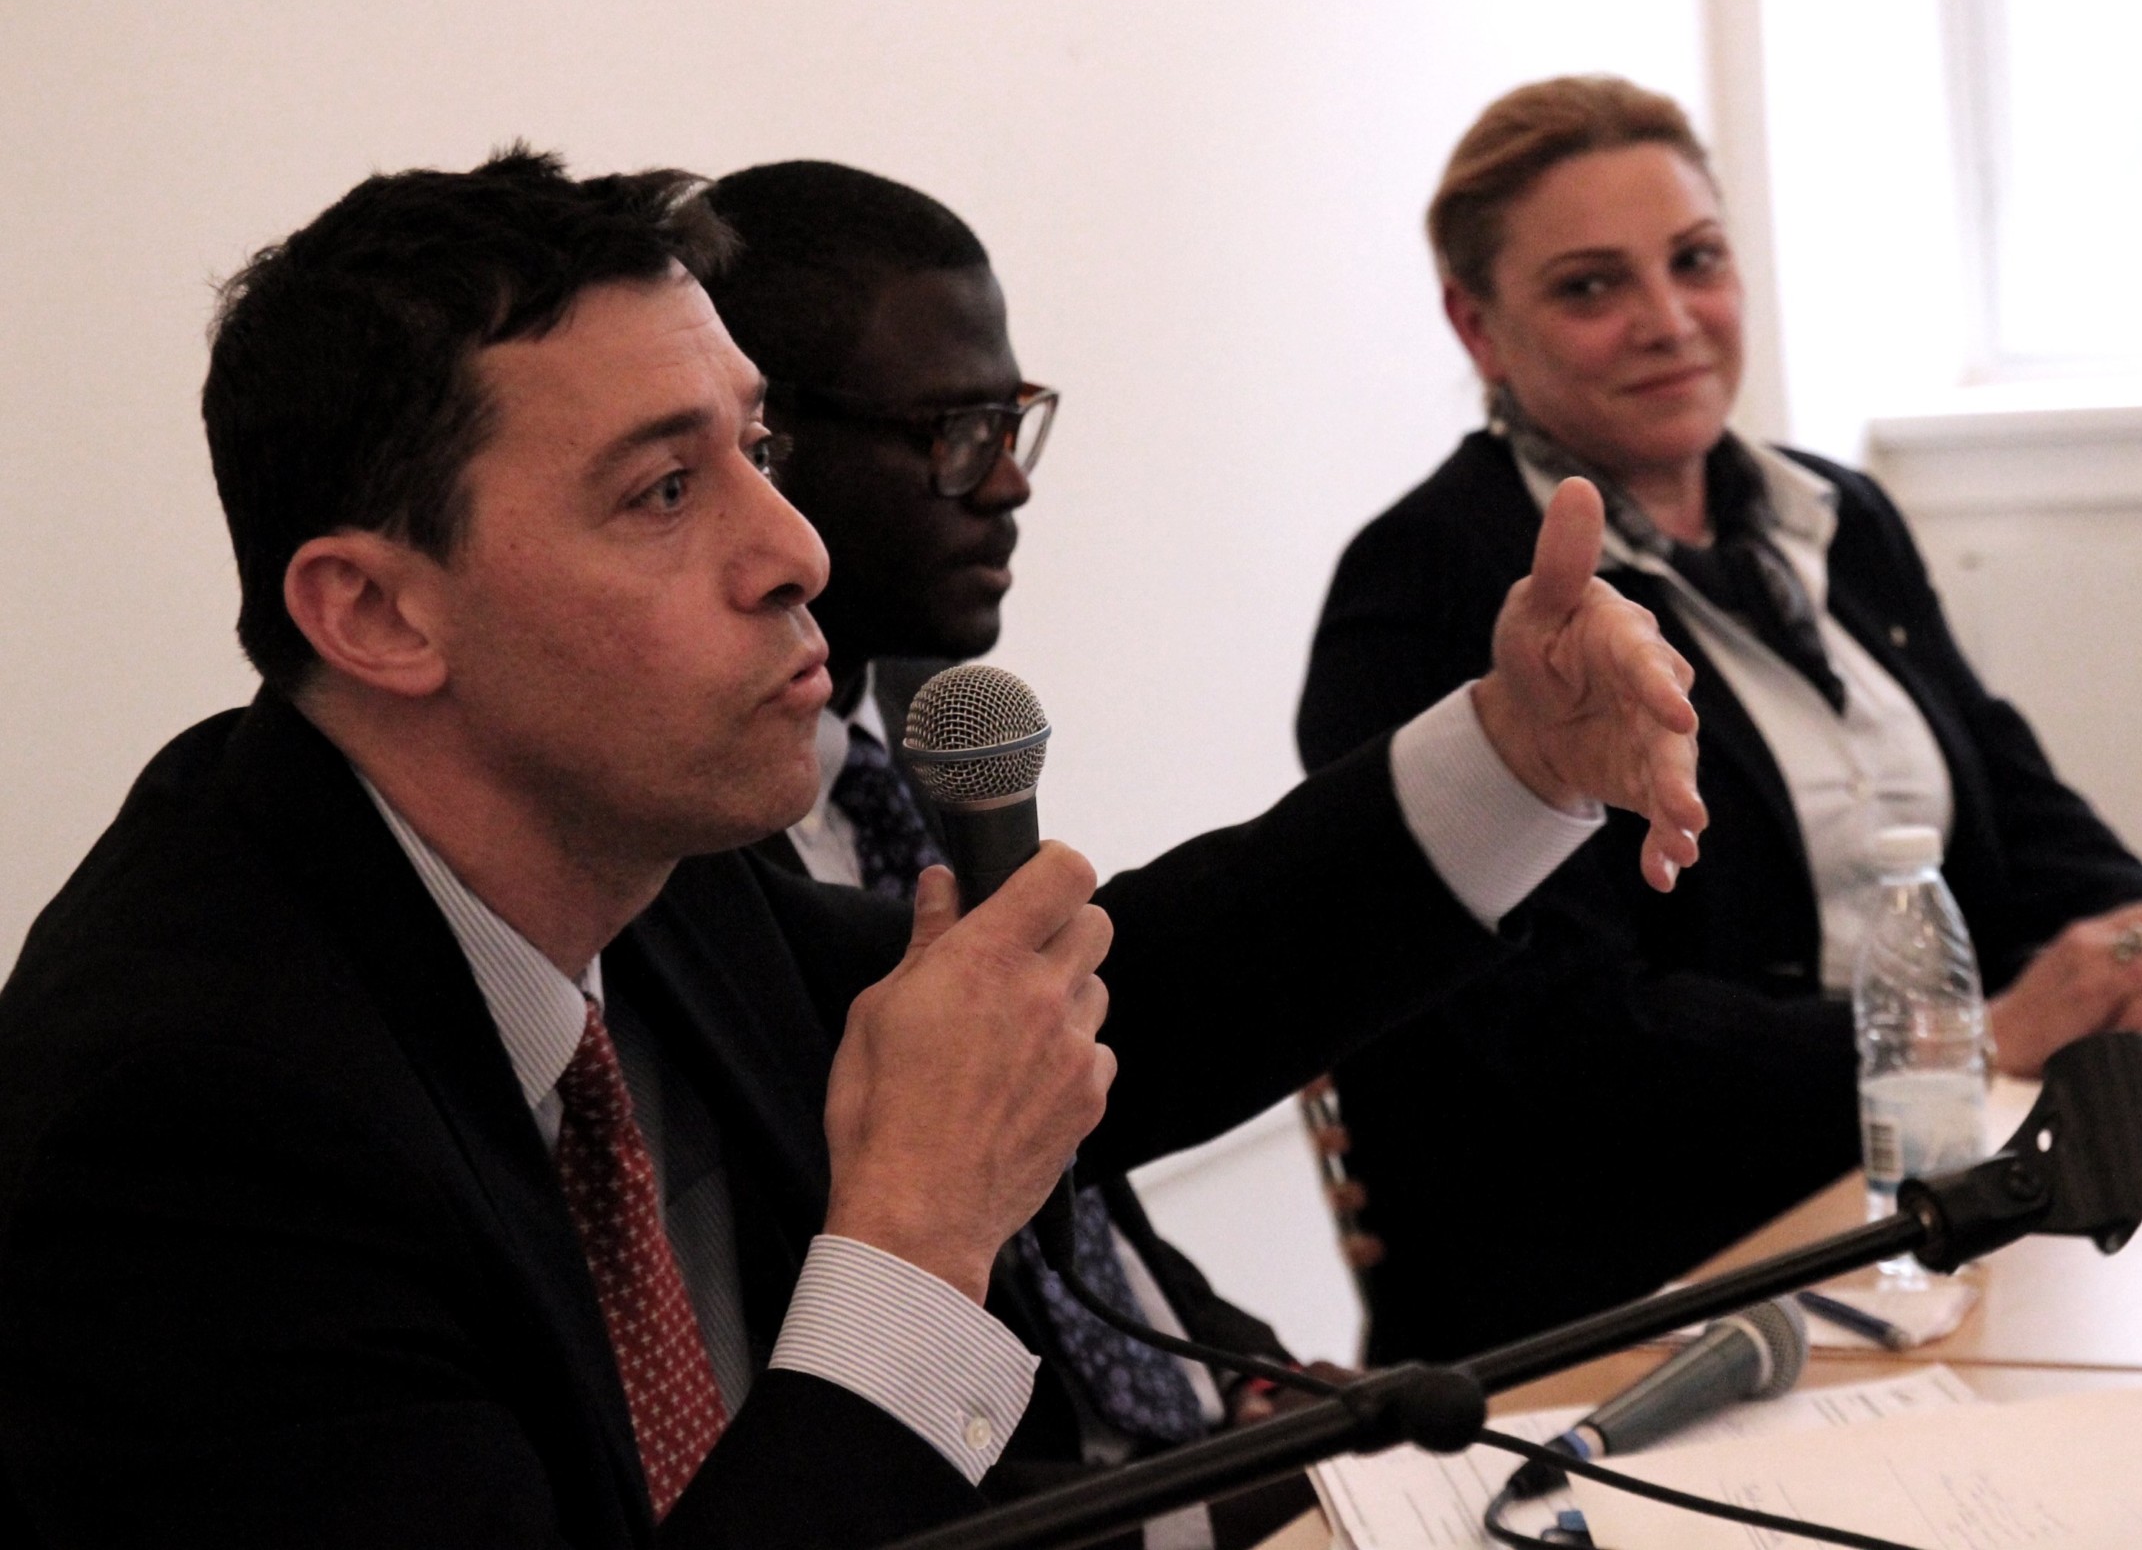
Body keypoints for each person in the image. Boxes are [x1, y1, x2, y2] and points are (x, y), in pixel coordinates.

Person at [0, 148, 1707, 1547]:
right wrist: (914, 1248)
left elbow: (1085, 1013)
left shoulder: (623, 848)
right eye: (664, 492)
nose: (796, 548)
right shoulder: (189, 1105)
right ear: (374, 609)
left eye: (757, 451)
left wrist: (1516, 760)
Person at [1295, 76, 2142, 1363]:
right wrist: (1967, 1046)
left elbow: (2018, 815)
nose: (1668, 321)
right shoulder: (1436, 583)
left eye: (1696, 261)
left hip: (1929, 1221)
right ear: (1478, 327)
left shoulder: (1838, 518)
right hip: (1638, 1294)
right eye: (1591, 288)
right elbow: (1560, 1039)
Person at [693, 160, 1339, 1545]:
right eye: (954, 429)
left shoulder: (933, 720)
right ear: (773, 444)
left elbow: (1071, 1179)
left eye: (1015, 419)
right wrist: (1199, 1507)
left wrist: (1253, 1376)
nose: (1008, 485)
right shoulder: (675, 847)